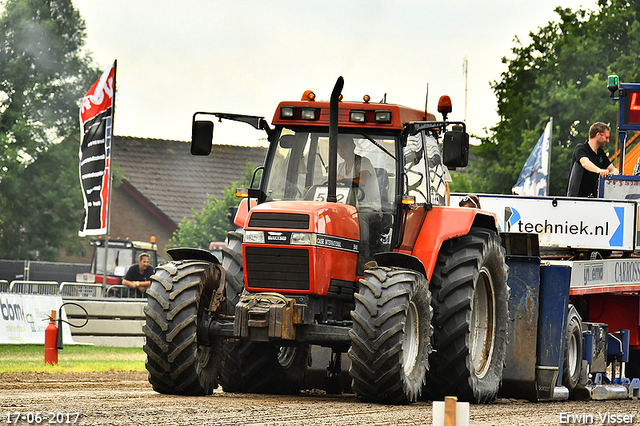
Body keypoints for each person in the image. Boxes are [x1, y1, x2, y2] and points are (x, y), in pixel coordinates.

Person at [336, 135, 381, 269]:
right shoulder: (340, 166)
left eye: (344, 146)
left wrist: (344, 179)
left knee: (360, 216)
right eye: (338, 147)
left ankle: (364, 255)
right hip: (348, 207)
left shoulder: (363, 162)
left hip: (369, 207)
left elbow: (362, 181)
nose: (341, 150)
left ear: (353, 146)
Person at [566, 122, 620, 197]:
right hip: (576, 197)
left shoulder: (600, 153)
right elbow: (585, 163)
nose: (608, 141)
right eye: (606, 137)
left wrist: (615, 172)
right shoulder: (581, 148)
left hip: (592, 198)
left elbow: (612, 168)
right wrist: (599, 170)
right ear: (598, 135)